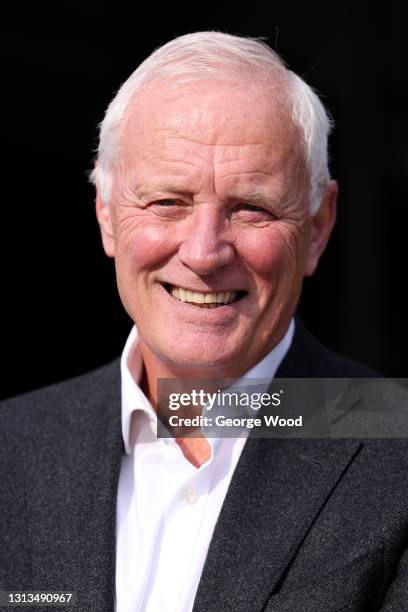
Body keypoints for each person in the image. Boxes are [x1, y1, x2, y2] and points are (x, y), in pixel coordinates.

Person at [0, 31, 407, 612]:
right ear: (107, 216)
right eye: (168, 201)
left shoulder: (395, 454)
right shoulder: (12, 451)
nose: (205, 252)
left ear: (317, 227)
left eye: (251, 208)